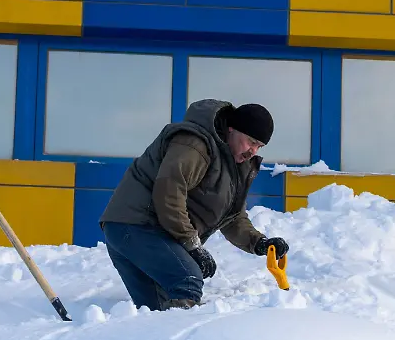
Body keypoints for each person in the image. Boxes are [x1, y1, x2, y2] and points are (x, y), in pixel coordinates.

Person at [101, 99, 289, 311]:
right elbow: (169, 193)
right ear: (231, 130)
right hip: (136, 225)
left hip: (139, 231)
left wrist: (259, 243)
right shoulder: (195, 145)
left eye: (259, 146)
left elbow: (232, 216)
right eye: (250, 141)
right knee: (188, 280)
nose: (253, 151)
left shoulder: (232, 164)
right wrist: (192, 244)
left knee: (158, 311)